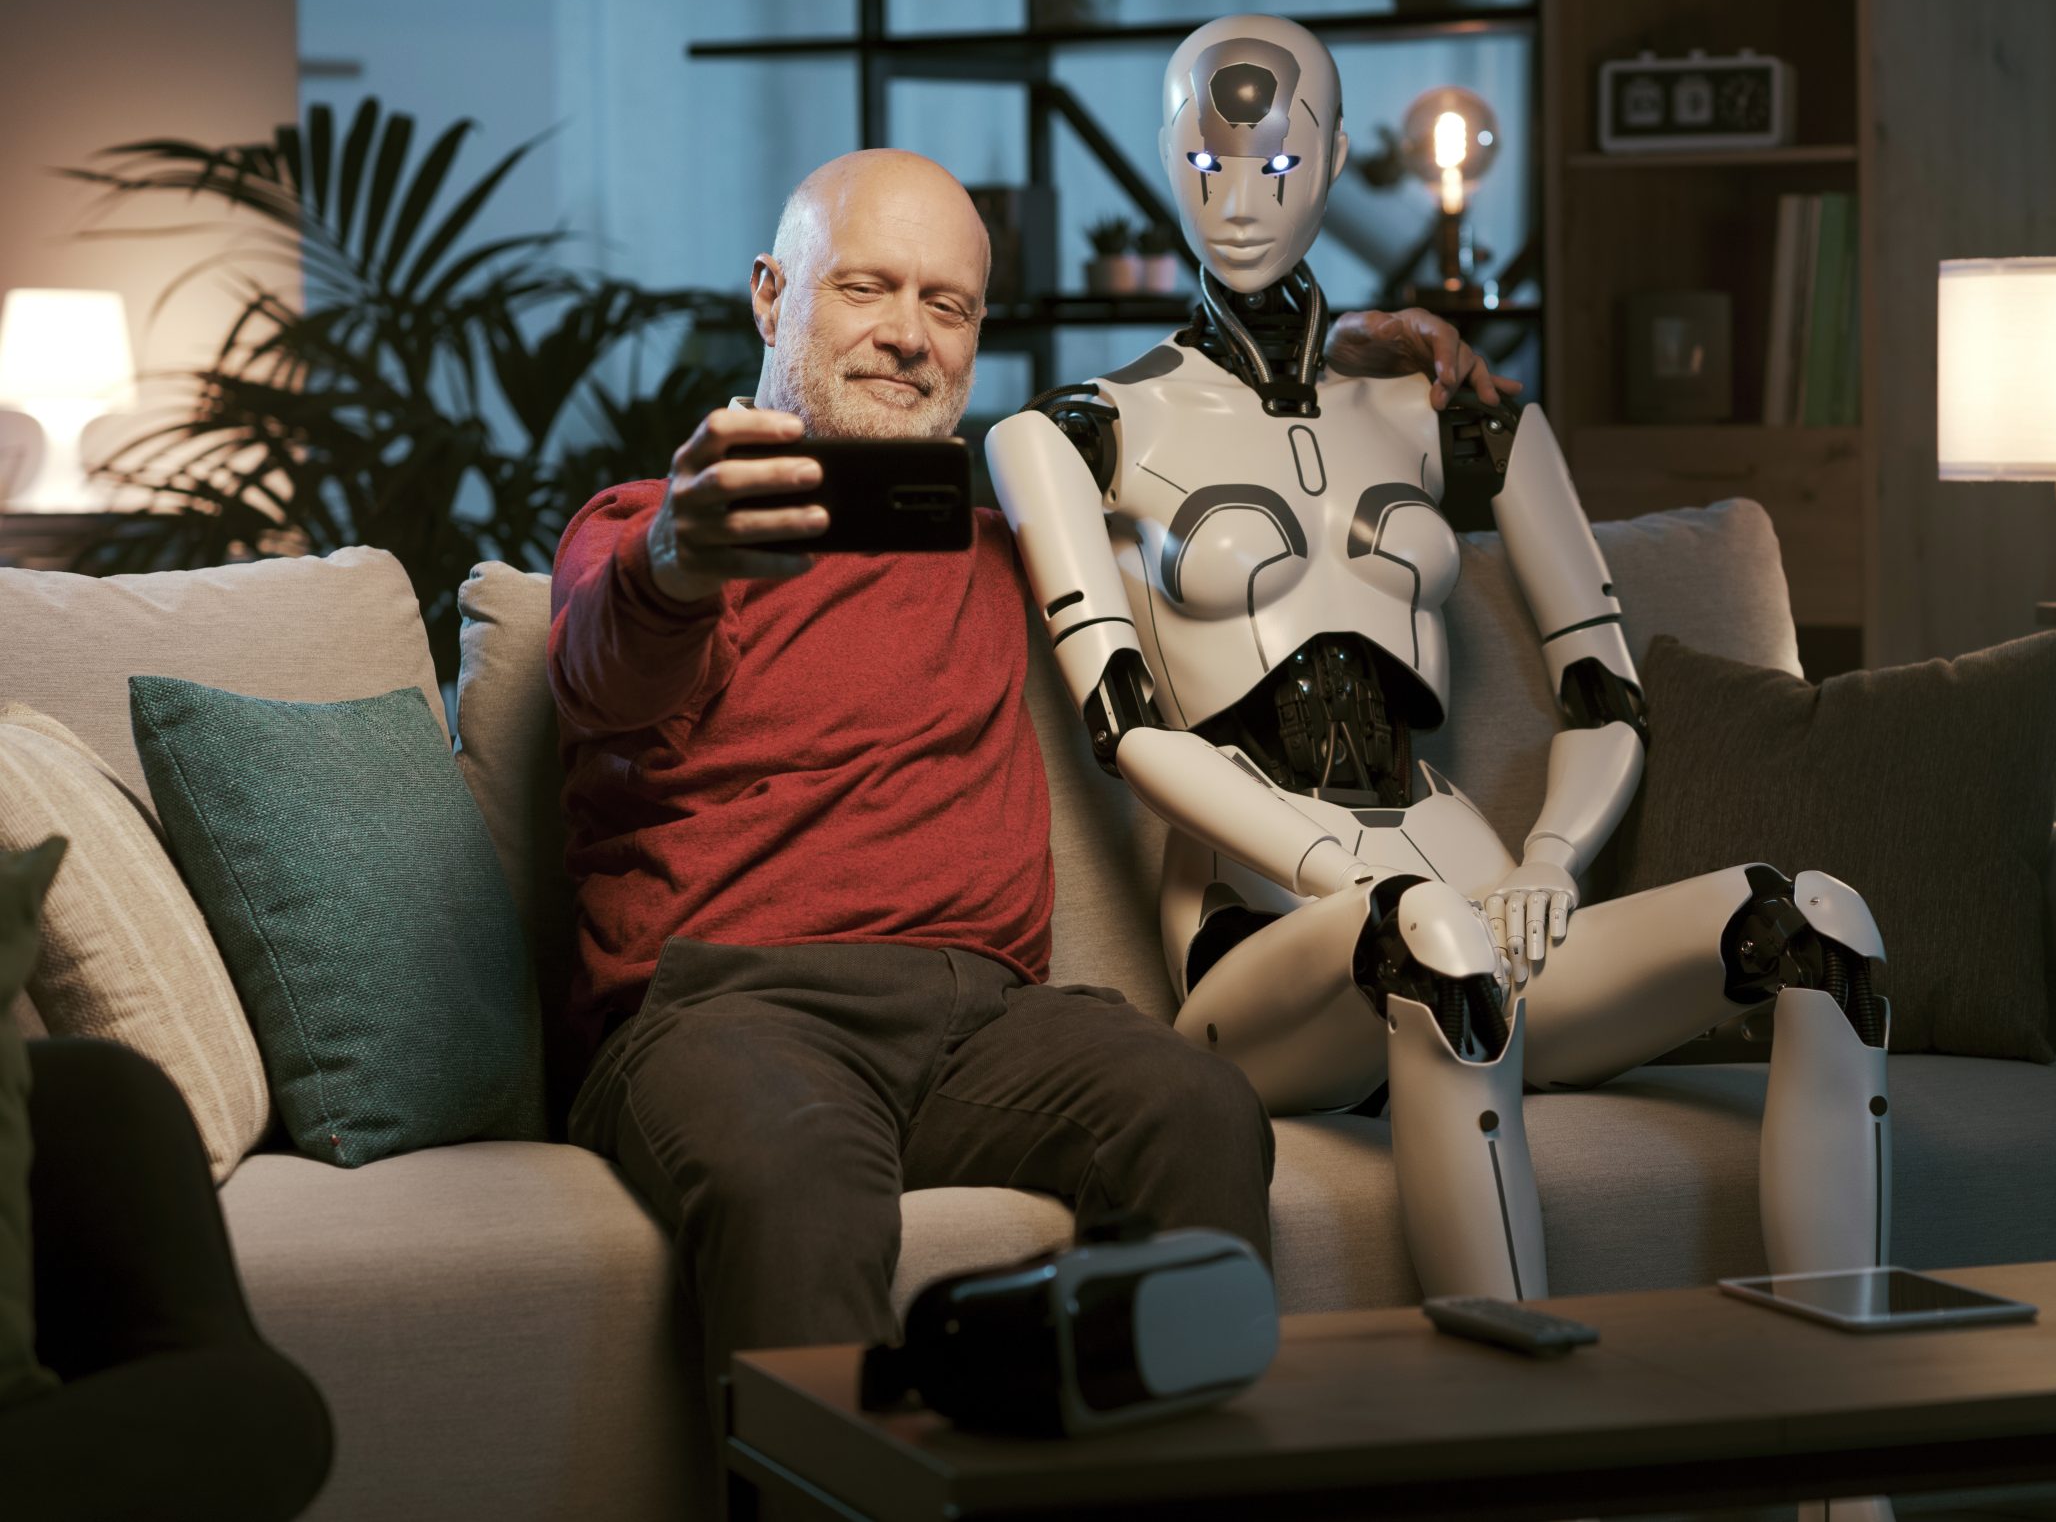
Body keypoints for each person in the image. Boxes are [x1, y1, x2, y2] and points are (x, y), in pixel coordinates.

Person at [545, 147, 1517, 1387]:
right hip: (732, 1012)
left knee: (1196, 1106)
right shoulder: (646, 524)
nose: (907, 335)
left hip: (986, 1022)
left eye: (944, 305)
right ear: (769, 296)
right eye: (865, 288)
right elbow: (600, 675)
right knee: (788, 1177)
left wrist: (1353, 371)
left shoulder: (1020, 549)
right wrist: (680, 559)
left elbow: (1255, 503)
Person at [987, 16, 1894, 1312]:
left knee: (1817, 925)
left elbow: (1605, 687)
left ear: (1341, 155)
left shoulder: (1446, 413)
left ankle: (1849, 1490)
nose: (1240, 202)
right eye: (1207, 163)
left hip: (1475, 883)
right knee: (1432, 943)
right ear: (1166, 158)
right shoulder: (1074, 432)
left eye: (1281, 167)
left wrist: (1550, 858)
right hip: (1270, 939)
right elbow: (1127, 724)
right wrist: (1324, 860)